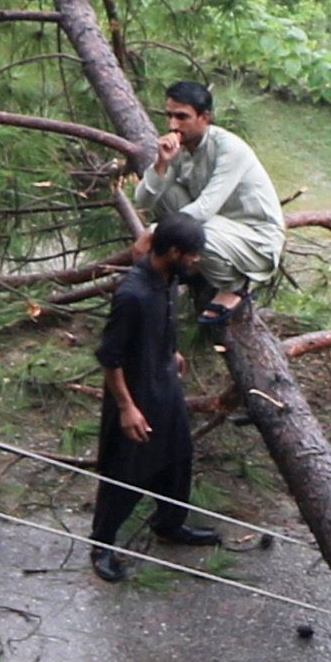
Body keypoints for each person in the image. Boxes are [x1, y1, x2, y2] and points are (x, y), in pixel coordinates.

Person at [88, 211, 213, 580]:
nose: (196, 260)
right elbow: (110, 358)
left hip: (166, 387)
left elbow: (146, 243)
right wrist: (126, 408)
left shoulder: (168, 277)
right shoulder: (133, 295)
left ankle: (169, 525)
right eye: (192, 254)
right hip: (136, 396)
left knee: (178, 459)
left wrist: (170, 349)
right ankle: (102, 544)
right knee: (126, 472)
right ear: (173, 252)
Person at [144, 81, 284, 314]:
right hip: (220, 225)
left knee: (197, 231)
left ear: (205, 117)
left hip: (258, 240)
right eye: (169, 116)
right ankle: (196, 263)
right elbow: (144, 200)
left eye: (182, 117)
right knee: (165, 195)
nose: (172, 125)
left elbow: (204, 209)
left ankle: (235, 285)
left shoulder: (230, 149)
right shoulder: (181, 147)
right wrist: (161, 163)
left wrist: (154, 232)